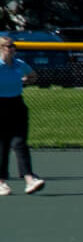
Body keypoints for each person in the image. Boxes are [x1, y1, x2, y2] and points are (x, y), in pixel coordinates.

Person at [0, 35, 38, 196]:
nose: (12, 48)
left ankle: (29, 179)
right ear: (1, 49)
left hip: (17, 104)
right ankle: (1, 182)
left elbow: (33, 76)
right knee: (2, 145)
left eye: (13, 46)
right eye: (9, 46)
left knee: (20, 141)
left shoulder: (18, 64)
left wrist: (25, 80)